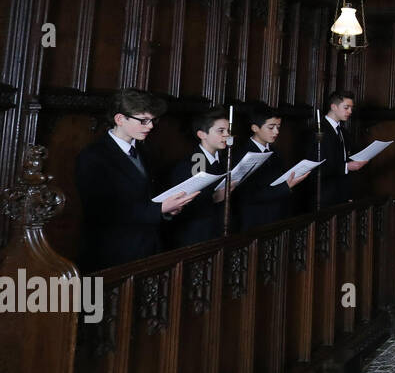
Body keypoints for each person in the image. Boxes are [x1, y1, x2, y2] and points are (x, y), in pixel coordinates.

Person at [75, 89, 198, 271]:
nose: (150, 126)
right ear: (119, 119)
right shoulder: (93, 156)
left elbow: (148, 195)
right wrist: (159, 210)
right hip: (113, 254)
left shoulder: (144, 150)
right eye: (143, 120)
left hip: (148, 247)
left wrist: (167, 209)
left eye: (152, 120)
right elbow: (101, 212)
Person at [164, 107, 234, 249]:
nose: (227, 135)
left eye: (228, 131)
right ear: (202, 134)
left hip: (219, 232)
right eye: (221, 131)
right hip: (197, 237)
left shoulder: (224, 159)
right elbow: (183, 205)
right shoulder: (193, 162)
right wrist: (214, 198)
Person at [234, 103, 310, 231]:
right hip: (255, 221)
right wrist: (286, 186)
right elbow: (248, 195)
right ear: (255, 128)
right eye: (271, 127)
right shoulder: (243, 154)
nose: (276, 132)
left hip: (277, 217)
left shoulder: (275, 151)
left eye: (278, 127)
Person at [318, 90, 368, 207]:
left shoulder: (343, 132)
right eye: (346, 107)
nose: (350, 111)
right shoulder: (318, 130)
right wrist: (347, 166)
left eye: (351, 108)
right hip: (325, 196)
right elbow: (319, 165)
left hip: (342, 194)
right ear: (334, 107)